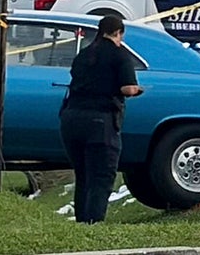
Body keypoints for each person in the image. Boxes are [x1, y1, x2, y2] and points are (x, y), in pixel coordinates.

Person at [58, 15, 144, 223]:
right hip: (101, 122)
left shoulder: (85, 54)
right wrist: (138, 90)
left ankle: (81, 222)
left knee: (83, 176)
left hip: (71, 119)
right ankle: (94, 223)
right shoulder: (119, 55)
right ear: (119, 33)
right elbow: (127, 88)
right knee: (101, 177)